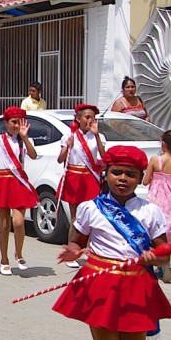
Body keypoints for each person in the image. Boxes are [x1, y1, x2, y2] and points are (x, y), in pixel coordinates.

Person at [53, 145, 171, 340]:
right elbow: (77, 241)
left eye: (130, 174)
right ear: (105, 173)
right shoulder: (90, 209)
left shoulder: (150, 211)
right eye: (116, 172)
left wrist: (155, 257)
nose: (122, 178)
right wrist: (73, 251)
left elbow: (165, 251)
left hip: (137, 285)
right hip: (102, 283)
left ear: (139, 177)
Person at [0, 106, 39, 275]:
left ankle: (19, 253)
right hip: (2, 182)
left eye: (20, 122)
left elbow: (33, 155)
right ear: (6, 122)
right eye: (13, 122)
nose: (17, 126)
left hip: (18, 182)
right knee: (4, 225)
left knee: (19, 222)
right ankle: (4, 259)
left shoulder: (24, 140)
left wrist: (24, 138)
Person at [56, 104, 107, 269]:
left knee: (92, 217)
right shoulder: (69, 135)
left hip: (90, 177)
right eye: (87, 117)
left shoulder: (97, 136)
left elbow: (104, 157)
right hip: (74, 177)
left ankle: (90, 251)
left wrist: (97, 135)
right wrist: (68, 146)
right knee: (75, 218)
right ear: (78, 119)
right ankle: (72, 251)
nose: (91, 121)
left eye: (93, 118)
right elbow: (60, 159)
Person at [143, 130, 171, 281]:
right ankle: (165, 267)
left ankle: (155, 264)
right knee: (167, 234)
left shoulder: (155, 160)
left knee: (153, 232)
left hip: (156, 199)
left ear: (163, 144)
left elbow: (145, 181)